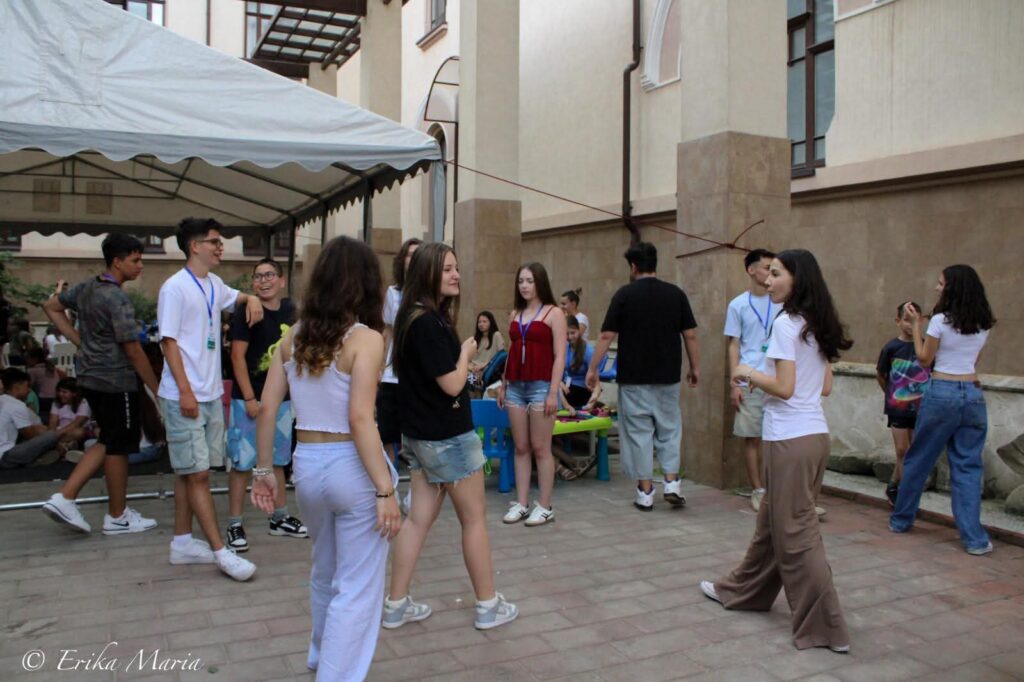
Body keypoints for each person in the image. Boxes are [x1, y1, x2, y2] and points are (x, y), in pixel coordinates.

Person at [251, 236, 400, 680]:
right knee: (356, 587)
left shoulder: (293, 337)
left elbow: (267, 407)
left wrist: (264, 472)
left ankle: (320, 656)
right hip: (352, 467)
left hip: (307, 466)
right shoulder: (366, 339)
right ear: (367, 284)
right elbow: (360, 420)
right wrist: (386, 490)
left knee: (325, 571)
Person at [701, 248, 852, 654]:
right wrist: (768, 379)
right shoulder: (815, 322)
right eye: (768, 274)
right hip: (812, 435)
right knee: (773, 524)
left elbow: (784, 388)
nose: (768, 281)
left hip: (790, 440)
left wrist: (749, 372)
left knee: (796, 533)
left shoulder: (787, 323)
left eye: (777, 273)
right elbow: (822, 386)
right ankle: (742, 591)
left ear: (797, 279)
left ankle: (827, 627)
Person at [383, 242, 518, 631]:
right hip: (448, 439)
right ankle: (488, 605)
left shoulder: (411, 318)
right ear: (427, 273)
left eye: (456, 267)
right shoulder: (427, 322)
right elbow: (452, 383)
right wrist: (464, 353)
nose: (456, 274)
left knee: (417, 522)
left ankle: (395, 605)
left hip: (423, 440)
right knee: (474, 521)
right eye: (447, 269)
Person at [157, 218, 263, 581]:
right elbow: (168, 342)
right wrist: (185, 390)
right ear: (194, 246)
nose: (221, 247)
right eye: (215, 242)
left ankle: (182, 542)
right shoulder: (174, 288)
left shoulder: (214, 284)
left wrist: (251, 300)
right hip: (184, 394)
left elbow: (239, 295)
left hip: (209, 393)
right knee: (198, 474)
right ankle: (221, 551)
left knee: (189, 471)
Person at [40, 234, 163, 535]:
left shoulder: (86, 287)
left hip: (90, 377)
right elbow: (133, 350)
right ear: (117, 261)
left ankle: (68, 497)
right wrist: (156, 389)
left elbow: (50, 306)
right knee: (118, 445)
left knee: (109, 439)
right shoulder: (117, 298)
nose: (140, 265)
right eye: (135, 260)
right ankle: (115, 515)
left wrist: (79, 341)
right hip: (115, 379)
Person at [890, 265, 996, 556]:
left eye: (941, 283)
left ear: (952, 288)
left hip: (942, 391)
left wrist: (916, 327)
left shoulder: (939, 320)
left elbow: (924, 359)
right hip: (972, 393)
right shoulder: (984, 322)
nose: (937, 288)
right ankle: (974, 540)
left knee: (919, 458)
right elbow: (973, 360)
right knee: (967, 467)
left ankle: (901, 520)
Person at [586, 241, 699, 511]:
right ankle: (671, 483)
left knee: (639, 434)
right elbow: (690, 334)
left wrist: (593, 369)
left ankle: (645, 492)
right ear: (655, 264)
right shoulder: (676, 294)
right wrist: (695, 367)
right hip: (668, 376)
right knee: (670, 430)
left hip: (634, 378)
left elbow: (606, 335)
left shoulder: (624, 295)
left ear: (633, 266)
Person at [225, 258, 306, 553]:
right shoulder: (246, 310)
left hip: (282, 402)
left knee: (278, 461)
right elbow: (236, 357)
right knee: (243, 464)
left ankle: (279, 517)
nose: (264, 280)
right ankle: (234, 523)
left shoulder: (291, 311)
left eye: (270, 275)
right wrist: (249, 398)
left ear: (282, 281)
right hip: (249, 399)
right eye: (258, 276)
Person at [499, 262, 567, 527]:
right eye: (521, 281)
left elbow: (560, 355)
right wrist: (504, 384)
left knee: (541, 447)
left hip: (541, 385)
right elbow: (510, 352)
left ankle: (545, 505)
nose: (524, 286)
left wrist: (553, 391)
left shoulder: (554, 313)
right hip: (515, 385)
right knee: (520, 446)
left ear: (540, 282)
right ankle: (522, 503)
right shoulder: (515, 313)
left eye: (529, 280)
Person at [875, 301, 931, 507]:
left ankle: (894, 484)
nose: (910, 325)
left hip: (920, 407)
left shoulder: (925, 347)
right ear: (898, 321)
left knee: (913, 449)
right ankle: (903, 493)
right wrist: (892, 396)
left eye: (914, 320)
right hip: (898, 408)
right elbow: (881, 375)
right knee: (901, 450)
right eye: (906, 320)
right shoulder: (891, 348)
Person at [0, 368, 60, 467]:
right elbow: (30, 435)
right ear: (17, 386)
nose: (29, 390)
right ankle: (37, 460)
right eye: (27, 386)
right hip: (5, 455)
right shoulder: (17, 405)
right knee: (51, 436)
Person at [561, 315, 601, 412]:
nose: (569, 337)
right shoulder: (565, 346)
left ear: (579, 331)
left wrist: (594, 397)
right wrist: (559, 383)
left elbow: (597, 385)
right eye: (566, 334)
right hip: (567, 388)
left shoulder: (588, 351)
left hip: (581, 390)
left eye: (573, 333)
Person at [48, 377, 91, 456]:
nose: (61, 394)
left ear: (74, 394)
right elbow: (53, 422)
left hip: (73, 432)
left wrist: (55, 436)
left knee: (80, 432)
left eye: (64, 392)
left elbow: (76, 423)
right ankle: (63, 447)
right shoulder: (56, 403)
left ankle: (59, 447)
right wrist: (51, 434)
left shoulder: (83, 403)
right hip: (59, 433)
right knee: (40, 429)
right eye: (59, 391)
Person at [25, 346, 65, 417]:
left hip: (44, 400)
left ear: (34, 358)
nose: (26, 361)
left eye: (28, 358)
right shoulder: (51, 368)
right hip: (56, 397)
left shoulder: (32, 371)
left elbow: (27, 387)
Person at [468, 310, 506, 380]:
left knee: (470, 381)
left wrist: (484, 365)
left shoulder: (496, 335)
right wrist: (471, 367)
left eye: (484, 321)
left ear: (491, 323)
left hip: (488, 371)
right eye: (479, 322)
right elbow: (470, 359)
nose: (481, 324)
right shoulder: (476, 338)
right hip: (473, 370)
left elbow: (501, 357)